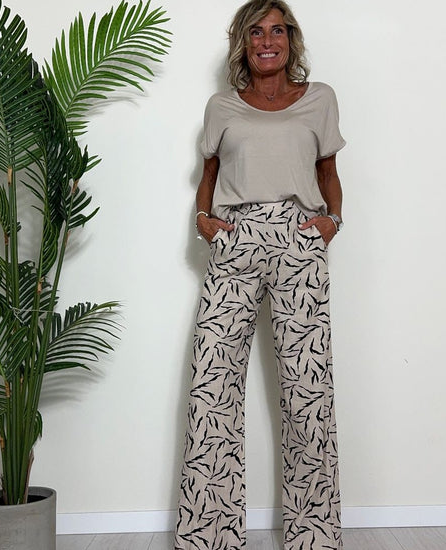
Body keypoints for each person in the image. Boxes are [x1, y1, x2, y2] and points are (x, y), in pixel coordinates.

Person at [175, 1, 346, 548]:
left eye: (277, 30)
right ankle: (209, 535)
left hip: (299, 239)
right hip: (237, 237)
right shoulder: (222, 106)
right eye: (256, 31)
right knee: (212, 385)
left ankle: (313, 535)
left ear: (291, 39)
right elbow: (209, 174)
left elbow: (328, 172)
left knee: (307, 391)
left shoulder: (319, 98)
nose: (267, 40)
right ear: (242, 42)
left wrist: (331, 222)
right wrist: (204, 220)